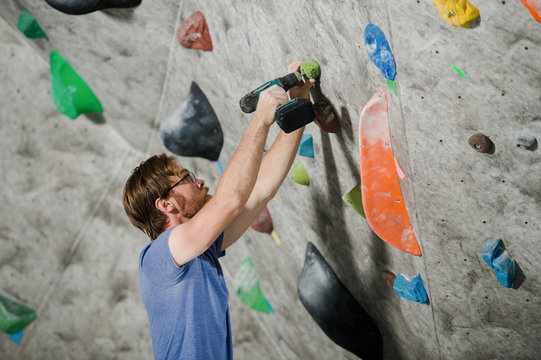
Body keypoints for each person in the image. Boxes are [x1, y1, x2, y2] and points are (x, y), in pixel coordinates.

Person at [122, 60, 315, 360]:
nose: (199, 181)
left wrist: (300, 103)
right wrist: (261, 118)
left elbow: (260, 190)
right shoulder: (158, 258)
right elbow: (230, 200)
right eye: (186, 178)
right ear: (166, 204)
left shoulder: (201, 250)